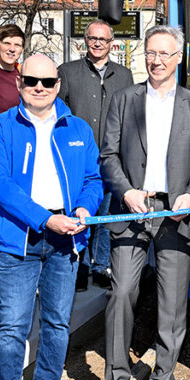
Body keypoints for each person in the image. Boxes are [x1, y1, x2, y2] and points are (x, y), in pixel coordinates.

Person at [0, 54, 103, 380]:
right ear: (18, 83)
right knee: (13, 325)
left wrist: (84, 207)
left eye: (47, 82)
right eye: (31, 80)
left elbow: (93, 179)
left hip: (65, 239)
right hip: (18, 239)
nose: (39, 88)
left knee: (57, 323)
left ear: (58, 86)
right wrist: (45, 219)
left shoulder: (78, 128)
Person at [98, 25, 190, 380]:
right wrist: (126, 191)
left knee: (172, 303)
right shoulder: (124, 100)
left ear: (179, 58)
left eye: (164, 54)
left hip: (175, 214)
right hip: (132, 208)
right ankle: (117, 379)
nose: (156, 60)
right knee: (122, 291)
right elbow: (107, 154)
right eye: (150, 53)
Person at [58, 19, 134, 290]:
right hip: (77, 157)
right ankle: (78, 266)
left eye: (103, 39)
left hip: (112, 156)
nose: (98, 43)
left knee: (105, 215)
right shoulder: (67, 72)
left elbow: (130, 114)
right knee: (78, 212)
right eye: (93, 39)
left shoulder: (124, 75)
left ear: (111, 43)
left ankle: (100, 265)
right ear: (84, 41)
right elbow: (59, 112)